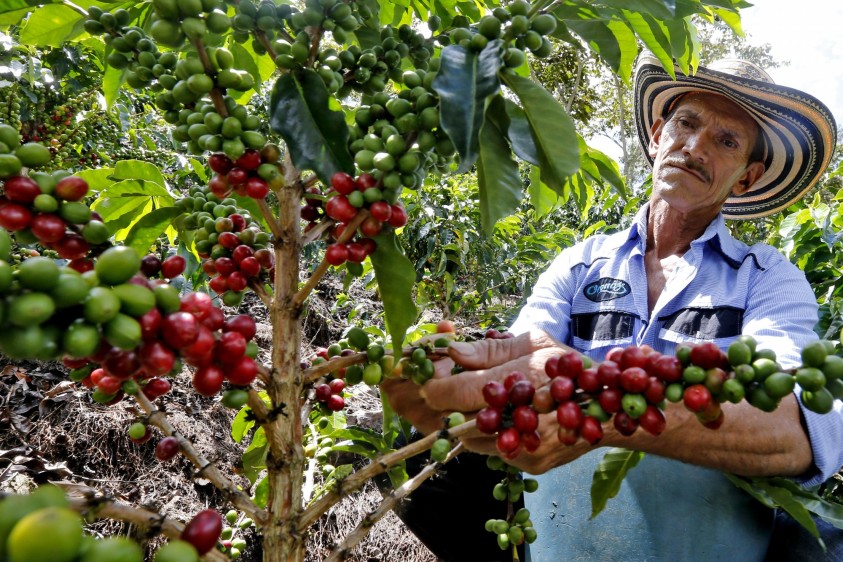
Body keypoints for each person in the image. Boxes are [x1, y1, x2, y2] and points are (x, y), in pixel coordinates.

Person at [382, 52, 843, 561]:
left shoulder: (767, 279)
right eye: (686, 123)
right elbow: (520, 361)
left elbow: (797, 431)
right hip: (567, 512)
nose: (694, 147)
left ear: (746, 178)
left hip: (709, 525)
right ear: (656, 134)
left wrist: (606, 407)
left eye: (726, 141)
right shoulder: (581, 265)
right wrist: (459, 378)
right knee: (424, 461)